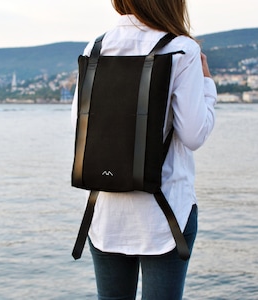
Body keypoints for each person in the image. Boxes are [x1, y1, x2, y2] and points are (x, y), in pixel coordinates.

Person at [71, 0, 217, 299]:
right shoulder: (180, 49)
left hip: (106, 213)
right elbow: (194, 135)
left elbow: (79, 125)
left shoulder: (95, 48)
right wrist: (208, 86)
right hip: (165, 214)